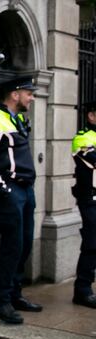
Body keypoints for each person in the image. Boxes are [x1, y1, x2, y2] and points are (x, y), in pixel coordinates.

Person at [0, 76, 43, 324]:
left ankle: (15, 294)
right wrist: (6, 191)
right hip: (12, 192)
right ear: (15, 94)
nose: (32, 97)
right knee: (12, 246)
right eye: (29, 93)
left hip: (26, 191)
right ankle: (1, 301)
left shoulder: (19, 120)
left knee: (24, 244)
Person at [71, 101, 96, 308]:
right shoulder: (83, 137)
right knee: (91, 244)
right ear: (91, 116)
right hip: (90, 200)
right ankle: (82, 290)